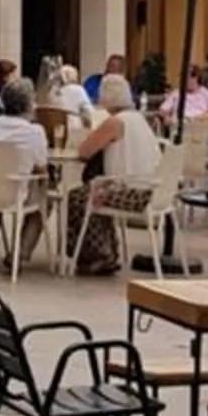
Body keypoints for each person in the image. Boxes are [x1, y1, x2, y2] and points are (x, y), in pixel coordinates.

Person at [66, 72, 164, 273]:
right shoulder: (140, 119)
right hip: (150, 189)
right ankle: (107, 250)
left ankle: (97, 254)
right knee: (97, 189)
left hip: (131, 191)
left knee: (79, 197)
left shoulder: (115, 122)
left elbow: (84, 151)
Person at [0, 77, 50, 271]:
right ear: (29, 104)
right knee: (45, 201)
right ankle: (19, 254)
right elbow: (42, 167)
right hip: (15, 193)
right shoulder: (34, 132)